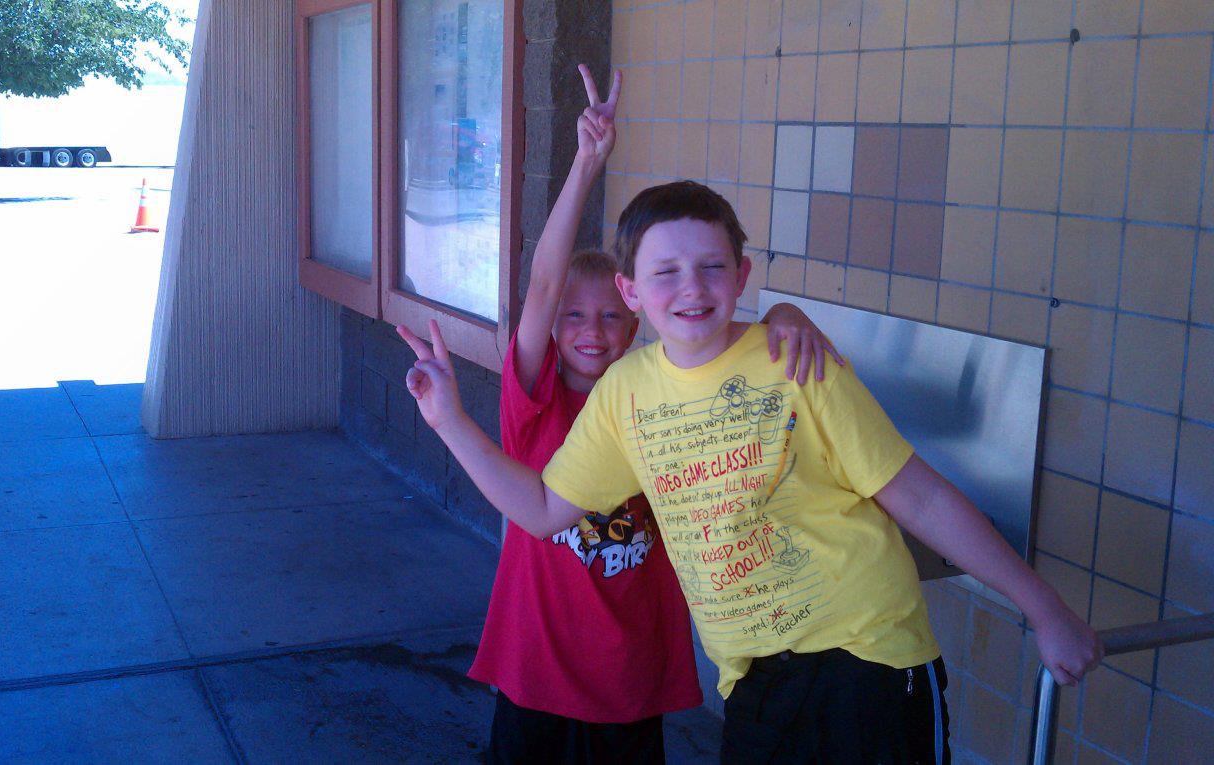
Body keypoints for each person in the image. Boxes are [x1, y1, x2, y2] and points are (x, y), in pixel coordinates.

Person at [398, 179, 1104, 763]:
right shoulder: (625, 393)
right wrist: (448, 420)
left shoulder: (795, 359)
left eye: (712, 266)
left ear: (742, 275)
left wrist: (1043, 608)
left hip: (868, 656)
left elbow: (918, 497)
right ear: (633, 289)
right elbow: (542, 509)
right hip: (752, 679)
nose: (691, 287)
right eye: (665, 271)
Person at [398, 67, 839, 764]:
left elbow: (728, 343)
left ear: (636, 320)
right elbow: (545, 282)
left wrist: (785, 312)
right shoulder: (533, 399)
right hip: (537, 665)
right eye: (574, 316)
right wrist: (586, 161)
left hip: (629, 674)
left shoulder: (661, 396)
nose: (591, 331)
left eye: (609, 316)